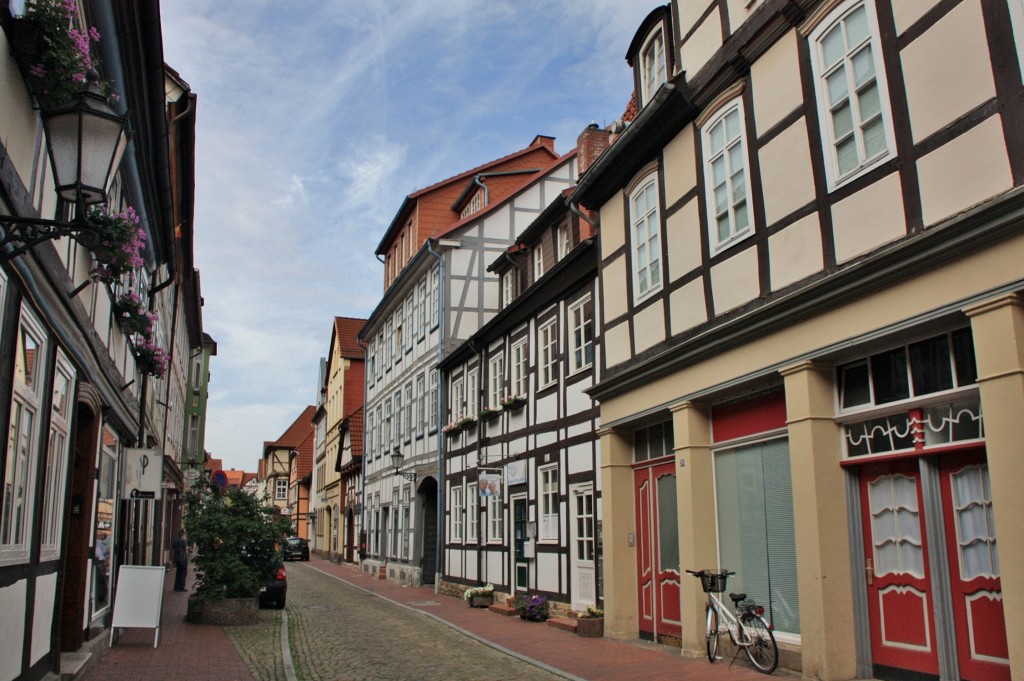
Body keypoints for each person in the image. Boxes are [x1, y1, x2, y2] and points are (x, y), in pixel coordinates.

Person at [95, 531, 109, 603]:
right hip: (96, 561)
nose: (101, 536)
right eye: (100, 534)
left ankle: (101, 595)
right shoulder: (93, 541)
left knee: (101, 578)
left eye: (103, 536)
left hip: (101, 562)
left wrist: (106, 561)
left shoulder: (103, 544)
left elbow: (105, 554)